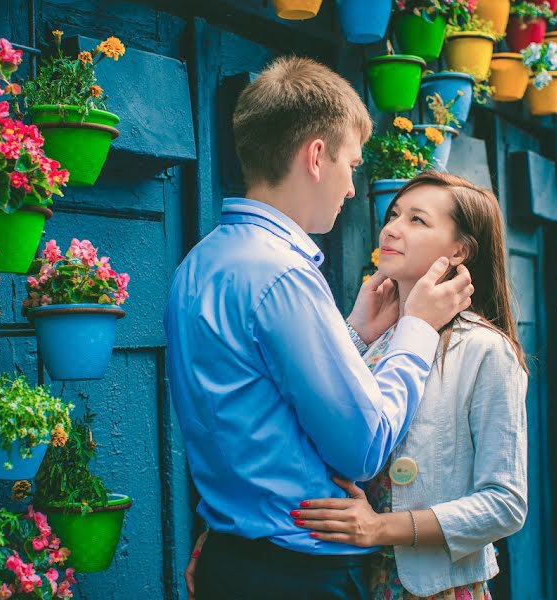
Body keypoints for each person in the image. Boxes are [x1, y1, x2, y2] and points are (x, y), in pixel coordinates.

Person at [164, 57, 475, 600]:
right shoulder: (283, 274)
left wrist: (351, 334)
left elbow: (260, 402)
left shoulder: (199, 263)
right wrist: (418, 330)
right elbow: (362, 446)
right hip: (296, 574)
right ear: (315, 156)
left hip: (230, 562)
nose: (353, 188)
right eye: (352, 164)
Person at [292, 172, 529, 600]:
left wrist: (380, 528)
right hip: (341, 578)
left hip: (434, 587)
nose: (392, 228)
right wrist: (354, 334)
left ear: (460, 250)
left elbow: (505, 503)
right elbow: (310, 420)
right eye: (394, 214)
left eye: (418, 220)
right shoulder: (376, 338)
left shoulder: (484, 350)